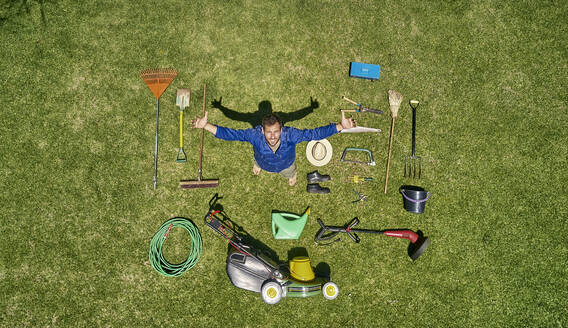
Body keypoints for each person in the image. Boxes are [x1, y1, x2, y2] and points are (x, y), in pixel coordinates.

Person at [192, 111, 356, 186]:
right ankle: (258, 166)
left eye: (276, 131)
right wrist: (205, 125)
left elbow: (314, 133)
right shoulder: (254, 135)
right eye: (269, 132)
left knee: (290, 172)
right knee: (259, 162)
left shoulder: (290, 135)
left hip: (286, 164)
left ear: (282, 129)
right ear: (262, 130)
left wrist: (340, 125)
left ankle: (291, 175)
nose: (272, 136)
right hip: (263, 161)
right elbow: (231, 134)